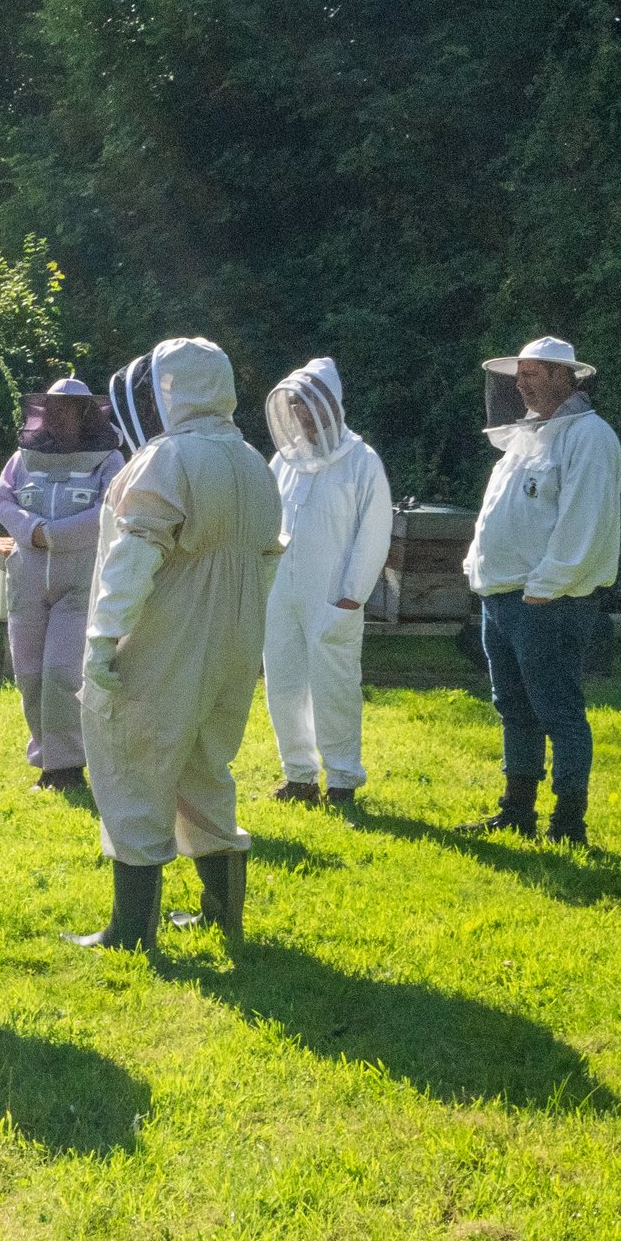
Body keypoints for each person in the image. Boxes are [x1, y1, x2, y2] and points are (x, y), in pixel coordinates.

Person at [73, 337, 282, 950]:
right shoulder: (252, 461)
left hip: (167, 636)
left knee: (134, 759)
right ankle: (223, 913)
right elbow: (268, 560)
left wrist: (103, 637)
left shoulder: (167, 460)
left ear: (170, 390)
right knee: (204, 766)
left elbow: (132, 557)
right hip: (235, 639)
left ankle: (130, 930)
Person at [460, 335, 621, 845]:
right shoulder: (525, 436)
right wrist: (478, 570)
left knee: (558, 708)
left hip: (547, 601)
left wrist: (546, 587)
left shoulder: (590, 437)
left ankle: (568, 823)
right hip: (504, 596)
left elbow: (585, 522)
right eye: (520, 374)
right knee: (513, 705)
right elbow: (500, 514)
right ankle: (517, 812)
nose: (522, 382)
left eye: (535, 372)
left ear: (565, 377)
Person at [261, 358, 392, 806]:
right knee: (283, 683)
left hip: (334, 595)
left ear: (332, 404)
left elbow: (374, 532)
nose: (300, 413)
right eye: (294, 404)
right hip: (280, 591)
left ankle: (341, 780)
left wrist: (353, 595)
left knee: (334, 686)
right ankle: (299, 776)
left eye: (308, 403)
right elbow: (266, 522)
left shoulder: (361, 460)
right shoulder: (284, 460)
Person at [0, 379, 123, 791]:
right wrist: (32, 531)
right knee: (28, 673)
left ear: (85, 413)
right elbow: (2, 499)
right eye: (51, 408)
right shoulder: (23, 458)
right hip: (27, 578)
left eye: (66, 409)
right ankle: (46, 759)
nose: (57, 415)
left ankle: (67, 767)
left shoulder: (110, 460)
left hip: (80, 581)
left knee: (62, 671)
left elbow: (111, 510)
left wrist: (55, 536)